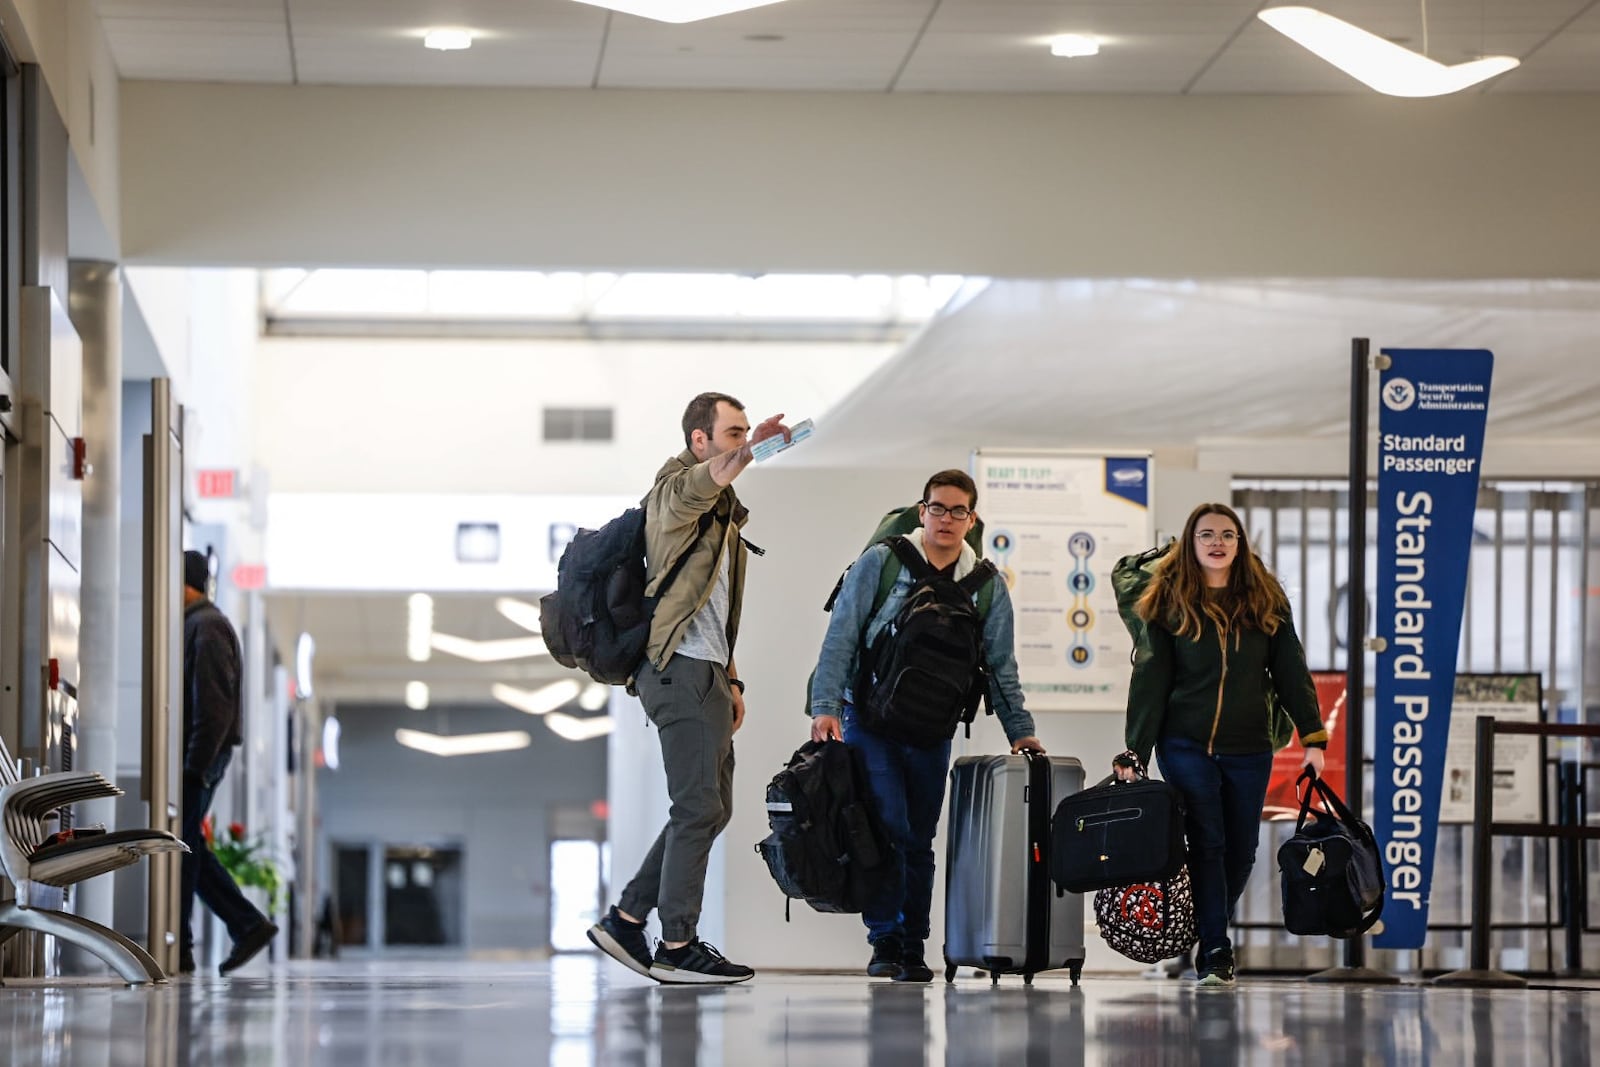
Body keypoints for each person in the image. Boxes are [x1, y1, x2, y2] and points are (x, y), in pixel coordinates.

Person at [809, 470, 1044, 983]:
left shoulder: (985, 586)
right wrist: (824, 706)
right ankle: (886, 939)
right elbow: (841, 636)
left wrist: (1019, 730)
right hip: (870, 719)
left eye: (958, 511)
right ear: (922, 511)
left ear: (971, 519)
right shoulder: (883, 562)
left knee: (919, 837)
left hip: (932, 727)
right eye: (938, 508)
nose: (946, 519)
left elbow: (1000, 666)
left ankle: (912, 943)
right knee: (890, 824)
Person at [587, 392, 789, 985]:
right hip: (676, 668)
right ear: (700, 441)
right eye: (732, 433)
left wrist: (730, 678)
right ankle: (676, 943)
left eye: (746, 432)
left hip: (706, 672)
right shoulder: (675, 493)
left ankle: (626, 918)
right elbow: (709, 479)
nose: (741, 441)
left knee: (712, 807)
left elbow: (716, 606)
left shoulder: (725, 514)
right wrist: (749, 452)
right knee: (697, 806)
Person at [1115, 503, 1328, 987]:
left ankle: (1205, 925)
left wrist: (1313, 736)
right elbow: (1152, 676)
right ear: (1190, 543)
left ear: (1239, 543)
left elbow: (1291, 670)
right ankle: (1215, 949)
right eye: (1207, 534)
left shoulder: (1265, 600)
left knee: (1243, 850)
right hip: (1184, 743)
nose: (1217, 542)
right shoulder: (1167, 601)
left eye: (1227, 535)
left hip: (1249, 744)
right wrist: (1136, 749)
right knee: (1208, 841)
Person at [180, 549, 278, 976]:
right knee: (188, 847)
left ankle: (209, 936)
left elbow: (214, 709)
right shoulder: (196, 624)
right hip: (199, 756)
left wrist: (194, 766)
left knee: (184, 847)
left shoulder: (208, 626)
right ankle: (244, 926)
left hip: (202, 756)